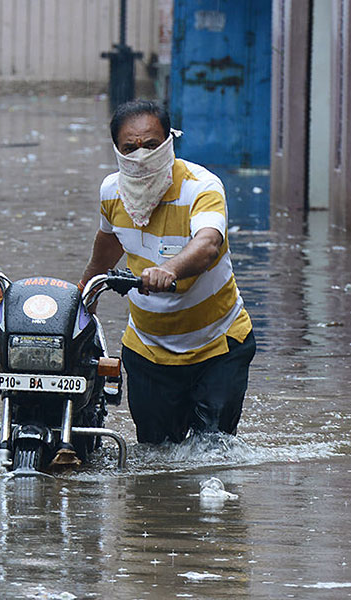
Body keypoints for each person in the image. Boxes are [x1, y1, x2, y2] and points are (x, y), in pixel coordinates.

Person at [78, 99, 256, 444]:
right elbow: (106, 250)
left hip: (217, 346)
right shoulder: (111, 191)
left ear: (169, 142)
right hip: (148, 350)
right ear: (116, 150)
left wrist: (169, 269)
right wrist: (82, 297)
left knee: (212, 452)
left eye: (151, 145)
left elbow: (207, 245)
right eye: (130, 148)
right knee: (156, 457)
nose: (141, 155)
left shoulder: (201, 187)